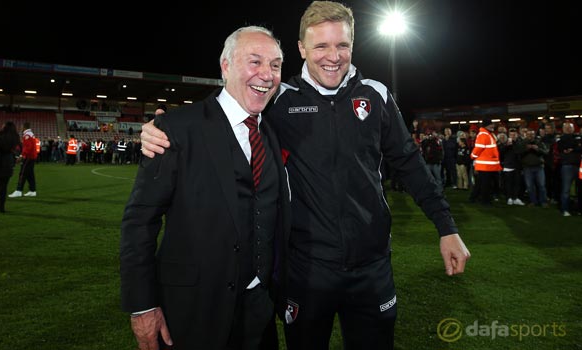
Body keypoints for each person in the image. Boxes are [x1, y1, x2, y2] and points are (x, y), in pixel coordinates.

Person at [140, 2, 470, 349]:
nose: (333, 56)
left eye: (342, 45)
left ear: (353, 46)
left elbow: (410, 164)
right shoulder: (279, 98)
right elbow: (222, 109)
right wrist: (164, 126)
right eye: (321, 46)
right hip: (307, 270)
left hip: (372, 267)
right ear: (301, 49)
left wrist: (446, 227)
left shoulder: (376, 94)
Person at [120, 26, 290, 350]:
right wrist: (142, 305)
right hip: (193, 312)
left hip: (259, 311)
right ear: (226, 66)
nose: (266, 75)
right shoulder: (175, 128)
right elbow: (139, 222)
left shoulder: (271, 129)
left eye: (276, 65)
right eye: (254, 62)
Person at [470, 118, 502, 206]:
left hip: (487, 165)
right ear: (487, 125)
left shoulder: (486, 134)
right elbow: (478, 148)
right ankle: (485, 201)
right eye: (492, 124)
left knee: (481, 184)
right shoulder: (484, 134)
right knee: (486, 185)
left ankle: (474, 198)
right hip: (486, 166)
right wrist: (472, 156)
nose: (493, 126)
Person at [9, 122, 38, 198]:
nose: (21, 128)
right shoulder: (30, 134)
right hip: (32, 157)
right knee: (30, 174)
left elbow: (28, 147)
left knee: (22, 173)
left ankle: (19, 190)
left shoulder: (27, 135)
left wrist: (22, 156)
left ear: (24, 126)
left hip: (28, 157)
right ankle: (32, 190)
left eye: (22, 126)